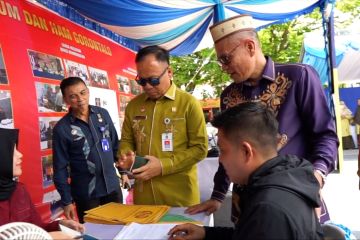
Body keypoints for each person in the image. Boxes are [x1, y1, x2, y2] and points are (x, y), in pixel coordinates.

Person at [186, 14, 339, 223]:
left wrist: (316, 176)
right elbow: (228, 152)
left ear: (250, 46)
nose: (223, 67)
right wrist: (218, 195)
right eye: (219, 60)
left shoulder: (299, 77)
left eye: (226, 58)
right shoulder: (229, 96)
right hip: (247, 204)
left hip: (296, 194)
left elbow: (325, 135)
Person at [168, 102, 323, 240]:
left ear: (246, 151)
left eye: (223, 151)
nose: (220, 160)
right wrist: (206, 234)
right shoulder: (284, 177)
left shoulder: (268, 208)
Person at [118, 45, 208, 206]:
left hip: (179, 197)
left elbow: (200, 148)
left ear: (169, 72)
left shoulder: (188, 104)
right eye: (142, 81)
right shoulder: (134, 106)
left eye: (153, 80)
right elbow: (126, 140)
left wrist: (163, 166)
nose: (148, 86)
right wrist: (126, 157)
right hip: (144, 197)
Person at [52, 77, 123, 223]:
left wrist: (124, 172)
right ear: (66, 100)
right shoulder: (62, 129)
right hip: (87, 195)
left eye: (83, 93)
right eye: (73, 96)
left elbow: (116, 145)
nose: (80, 99)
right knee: (93, 234)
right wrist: (66, 201)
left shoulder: (102, 114)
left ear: (88, 92)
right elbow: (60, 168)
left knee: (119, 228)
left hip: (113, 188)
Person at [0, 128, 84, 235]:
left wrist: (61, 225)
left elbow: (37, 228)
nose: (20, 155)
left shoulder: (19, 190)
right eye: (12, 151)